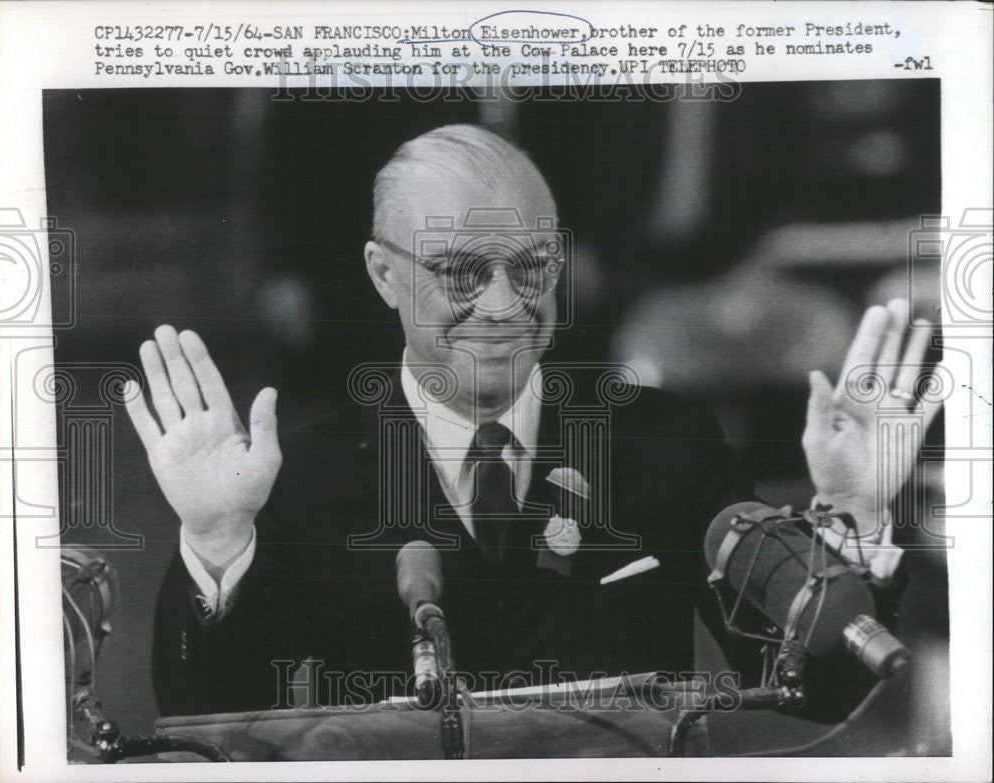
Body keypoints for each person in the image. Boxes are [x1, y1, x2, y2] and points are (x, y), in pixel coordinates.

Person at [124, 124, 940, 719]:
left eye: (532, 265)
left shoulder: (665, 444)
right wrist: (218, 541)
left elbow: (818, 689)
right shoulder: (307, 475)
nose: (505, 304)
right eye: (462, 271)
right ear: (382, 273)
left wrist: (856, 518)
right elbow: (209, 720)